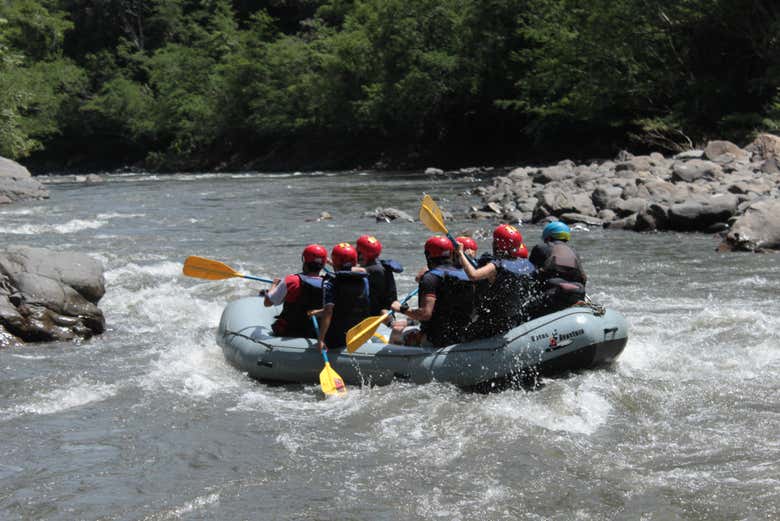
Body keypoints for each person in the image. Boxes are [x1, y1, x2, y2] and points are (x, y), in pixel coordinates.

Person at [390, 235, 474, 347]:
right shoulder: (467, 275)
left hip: (436, 339)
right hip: (463, 335)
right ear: (451, 253)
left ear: (428, 255)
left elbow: (425, 314)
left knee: (396, 332)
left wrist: (401, 309)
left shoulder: (430, 278)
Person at [457, 224, 536, 338]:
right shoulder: (519, 264)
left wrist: (460, 254)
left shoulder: (496, 265)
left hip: (493, 323)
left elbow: (473, 275)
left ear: (497, 245)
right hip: (512, 318)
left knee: (463, 335)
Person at [312, 243, 371, 351]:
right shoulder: (364, 279)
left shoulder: (330, 281)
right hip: (359, 334)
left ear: (335, 261)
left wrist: (321, 340)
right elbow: (348, 304)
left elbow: (328, 311)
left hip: (337, 339)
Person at [264, 244, 327, 338]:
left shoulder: (291, 281)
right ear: (324, 264)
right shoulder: (328, 283)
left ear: (304, 260)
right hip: (314, 333)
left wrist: (274, 286)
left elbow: (267, 303)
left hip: (289, 331)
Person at [528, 221, 587, 317]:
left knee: (525, 310)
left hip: (552, 296)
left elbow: (529, 275)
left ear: (548, 236)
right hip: (577, 294)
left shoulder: (540, 247)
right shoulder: (574, 251)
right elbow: (583, 278)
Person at [356, 234, 401, 316]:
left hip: (382, 310)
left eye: (358, 250)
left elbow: (349, 271)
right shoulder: (376, 263)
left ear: (363, 254)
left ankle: (391, 323)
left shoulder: (374, 270)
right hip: (381, 305)